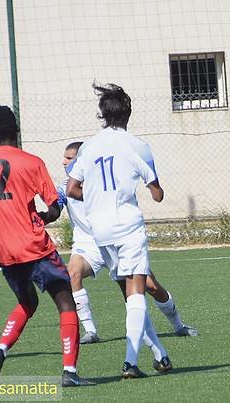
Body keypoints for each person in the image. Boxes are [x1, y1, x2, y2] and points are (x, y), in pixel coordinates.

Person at [0, 106, 92, 387]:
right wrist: (42, 217)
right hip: (33, 244)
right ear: (17, 129)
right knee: (65, 301)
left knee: (27, 302)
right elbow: (54, 208)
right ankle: (70, 371)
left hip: (4, 248)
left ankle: (0, 350)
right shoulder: (32, 162)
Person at [66, 83, 172, 379]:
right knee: (136, 294)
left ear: (102, 114)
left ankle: (160, 354)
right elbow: (157, 194)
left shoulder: (88, 147)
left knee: (129, 293)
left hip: (100, 231)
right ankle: (130, 362)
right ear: (128, 113)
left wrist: (96, 197)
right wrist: (153, 187)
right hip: (127, 225)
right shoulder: (137, 145)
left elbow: (72, 188)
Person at [58, 141, 198, 344]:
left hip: (117, 241)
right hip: (88, 245)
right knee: (72, 273)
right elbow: (57, 205)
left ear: (81, 160)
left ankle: (178, 325)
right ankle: (91, 331)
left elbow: (152, 195)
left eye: (69, 158)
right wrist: (44, 215)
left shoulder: (105, 182)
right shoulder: (65, 187)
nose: (64, 162)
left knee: (151, 287)